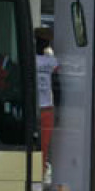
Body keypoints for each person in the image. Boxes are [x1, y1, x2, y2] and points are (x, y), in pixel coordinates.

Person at [35, 28, 59, 180]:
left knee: (41, 146)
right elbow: (58, 86)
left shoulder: (50, 61)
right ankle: (39, 176)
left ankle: (39, 176)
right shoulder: (52, 62)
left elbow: (57, 86)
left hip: (43, 108)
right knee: (43, 147)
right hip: (45, 108)